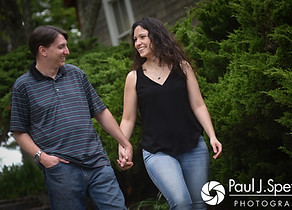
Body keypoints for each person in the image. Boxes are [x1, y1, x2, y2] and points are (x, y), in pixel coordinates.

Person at [10, 25, 133, 210]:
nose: (66, 51)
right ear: (42, 50)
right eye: (61, 47)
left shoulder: (76, 74)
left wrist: (124, 142)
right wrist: (42, 157)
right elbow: (19, 131)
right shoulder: (23, 86)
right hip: (61, 170)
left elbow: (100, 111)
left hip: (97, 163)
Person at [118, 17, 222, 209]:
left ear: (157, 37)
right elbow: (128, 118)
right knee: (181, 202)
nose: (137, 43)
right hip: (157, 152)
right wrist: (123, 146)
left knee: (199, 205)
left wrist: (212, 135)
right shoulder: (134, 78)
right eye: (135, 39)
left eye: (142, 37)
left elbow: (198, 105)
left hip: (193, 146)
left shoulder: (182, 67)